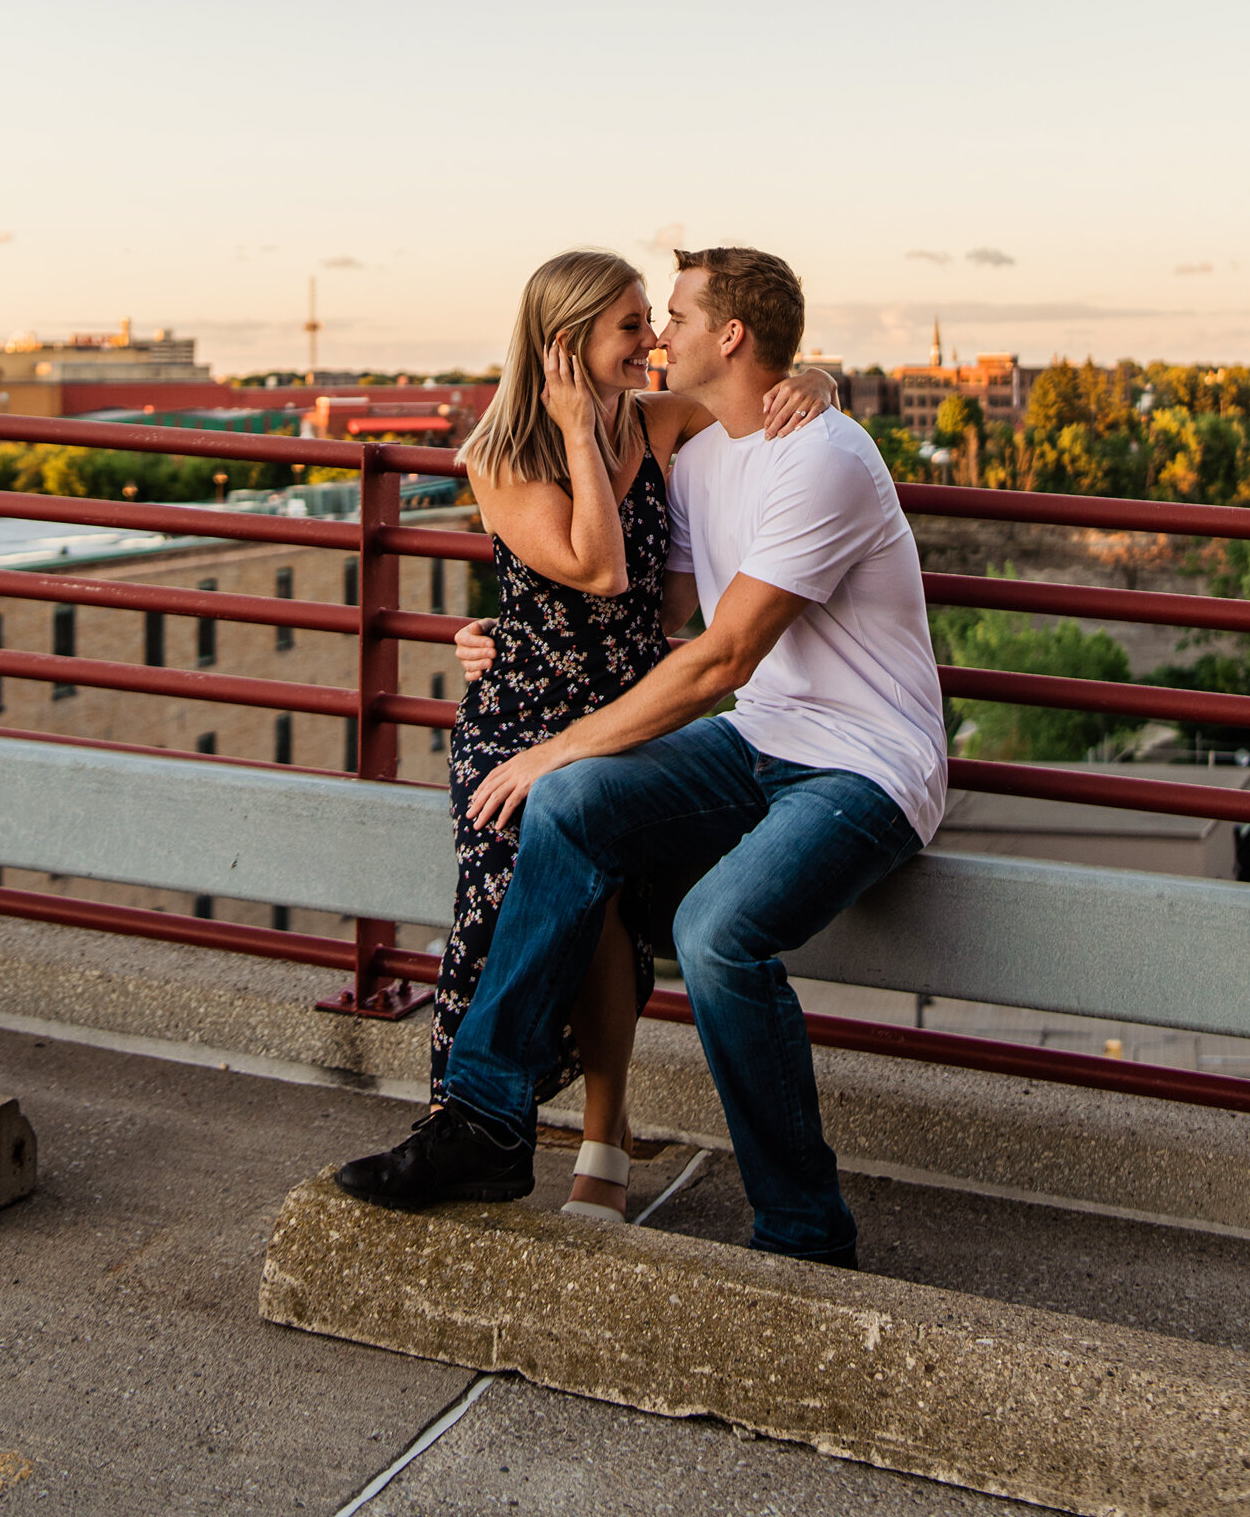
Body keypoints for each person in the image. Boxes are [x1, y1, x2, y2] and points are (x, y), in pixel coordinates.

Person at [337, 246, 946, 1266]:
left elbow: (719, 653)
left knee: (715, 931)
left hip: (864, 764)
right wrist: (506, 638)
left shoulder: (827, 455)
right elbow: (638, 602)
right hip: (759, 733)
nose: (661, 333)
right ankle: (485, 1124)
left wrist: (562, 745)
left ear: (730, 336)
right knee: (569, 807)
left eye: (672, 314)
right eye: (643, 321)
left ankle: (802, 1227)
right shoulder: (696, 451)